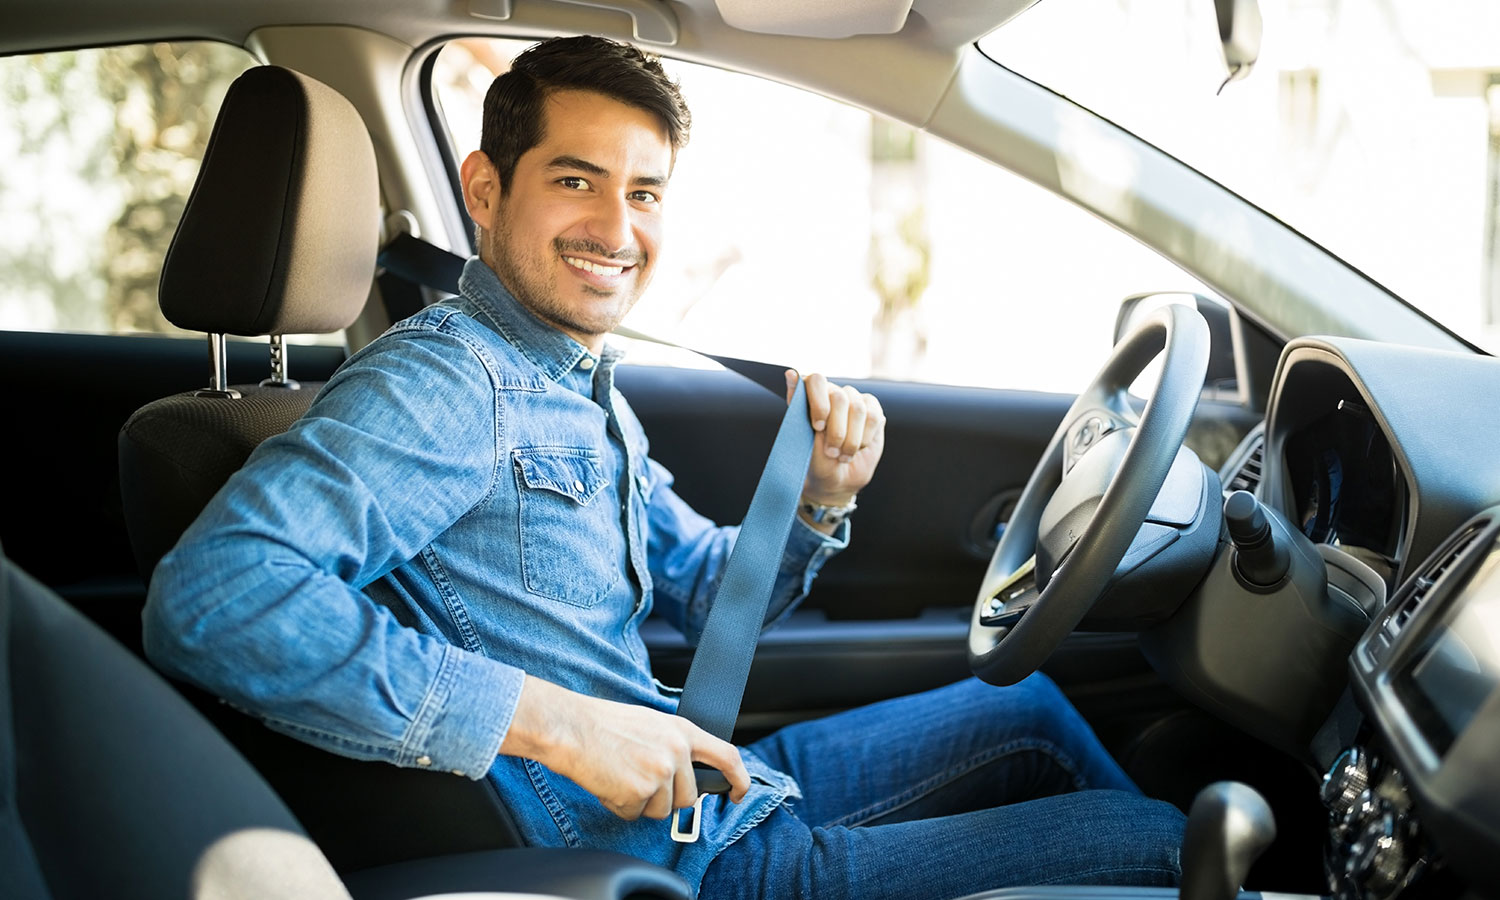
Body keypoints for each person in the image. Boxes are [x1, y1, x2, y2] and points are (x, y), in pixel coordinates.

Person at [144, 35, 1185, 900]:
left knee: (1034, 708)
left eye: (644, 192)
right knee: (1167, 852)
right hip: (655, 862)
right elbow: (214, 599)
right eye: (575, 181)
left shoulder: (569, 378)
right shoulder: (449, 385)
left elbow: (705, 589)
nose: (617, 227)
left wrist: (820, 498)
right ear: (485, 189)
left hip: (707, 803)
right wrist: (561, 726)